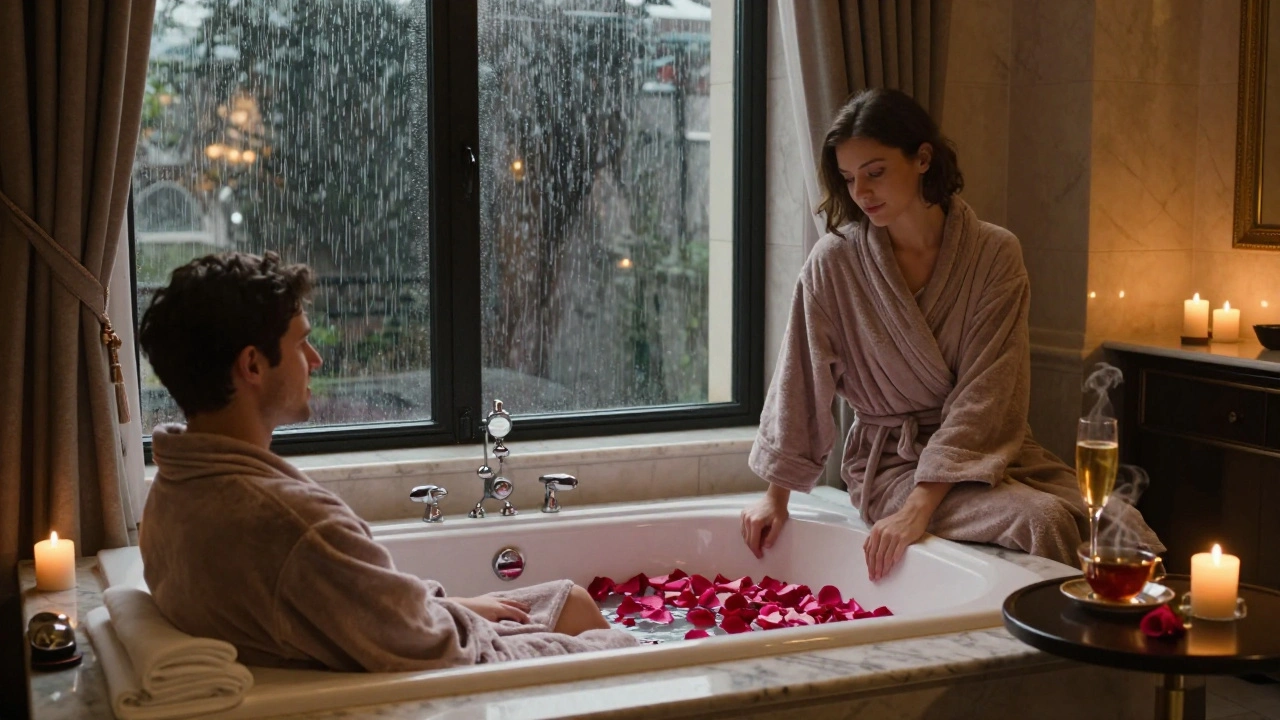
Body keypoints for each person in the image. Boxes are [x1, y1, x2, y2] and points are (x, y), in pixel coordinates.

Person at [137, 251, 634, 672]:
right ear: (252, 365)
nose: (316, 359)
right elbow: (446, 655)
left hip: (380, 647)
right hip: (452, 681)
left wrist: (449, 604)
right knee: (622, 650)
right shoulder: (294, 526)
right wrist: (611, 652)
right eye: (300, 342)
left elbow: (361, 610)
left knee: (570, 600)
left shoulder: (176, 491)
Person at [740, 89, 1162, 580]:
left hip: (992, 454)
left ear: (922, 158)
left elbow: (988, 393)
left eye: (876, 172)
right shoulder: (835, 262)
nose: (862, 193)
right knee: (1042, 519)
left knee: (1121, 525)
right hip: (891, 467)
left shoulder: (993, 254)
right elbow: (800, 379)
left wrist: (923, 507)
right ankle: (1056, 655)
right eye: (850, 178)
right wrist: (776, 499)